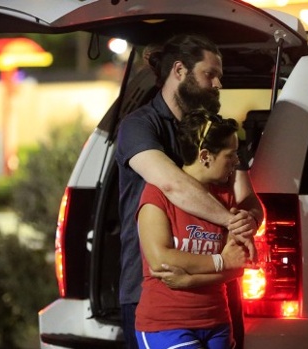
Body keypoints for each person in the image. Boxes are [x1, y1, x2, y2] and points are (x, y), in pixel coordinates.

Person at [115, 34, 263, 349]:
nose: (217, 84)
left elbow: (249, 199)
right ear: (180, 71)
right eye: (210, 74)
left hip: (216, 296)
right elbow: (173, 185)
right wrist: (231, 222)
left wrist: (248, 218)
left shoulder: (216, 133)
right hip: (154, 287)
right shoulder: (140, 126)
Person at [135, 110, 251, 349]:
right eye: (231, 155)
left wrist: (189, 280)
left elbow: (237, 265)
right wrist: (220, 261)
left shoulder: (225, 196)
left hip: (217, 321)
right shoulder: (157, 194)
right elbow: (161, 260)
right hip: (166, 324)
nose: (236, 161)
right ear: (205, 156)